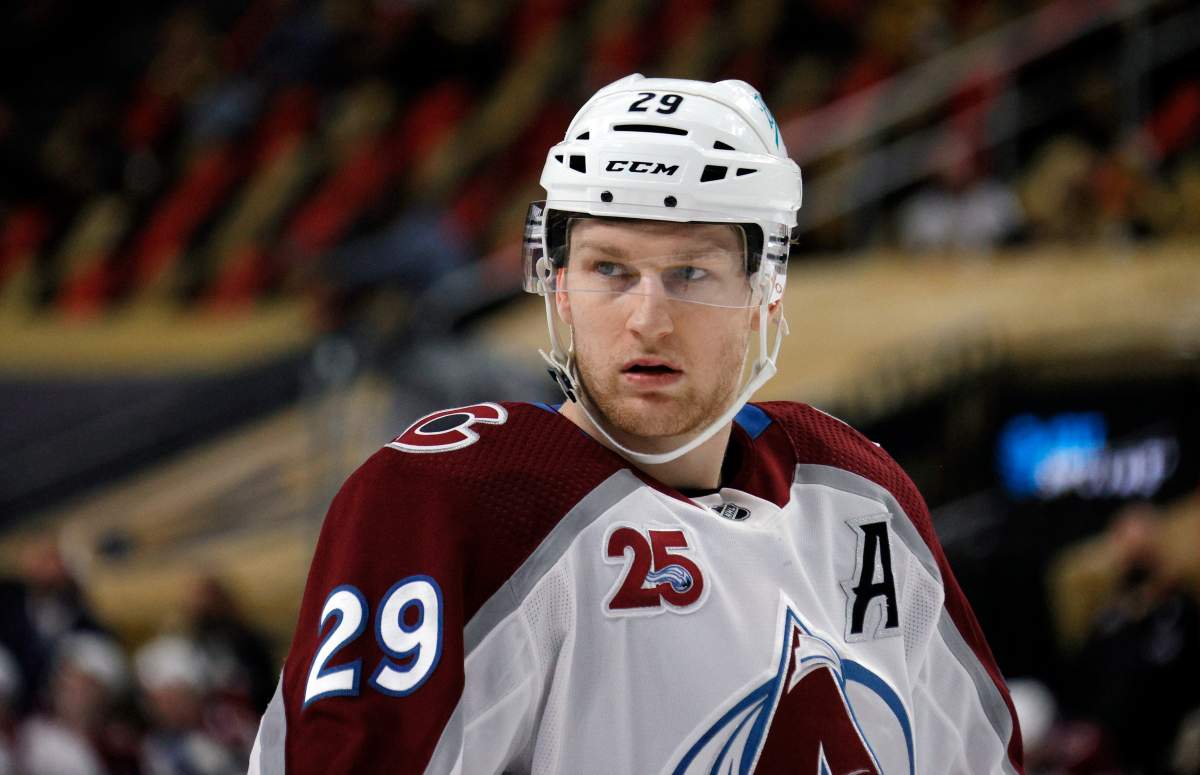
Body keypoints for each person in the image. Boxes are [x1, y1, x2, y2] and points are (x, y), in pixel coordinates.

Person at [249, 74, 1024, 773]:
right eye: (609, 269)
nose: (647, 319)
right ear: (556, 286)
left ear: (767, 291)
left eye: (691, 271)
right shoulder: (454, 501)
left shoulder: (857, 494)